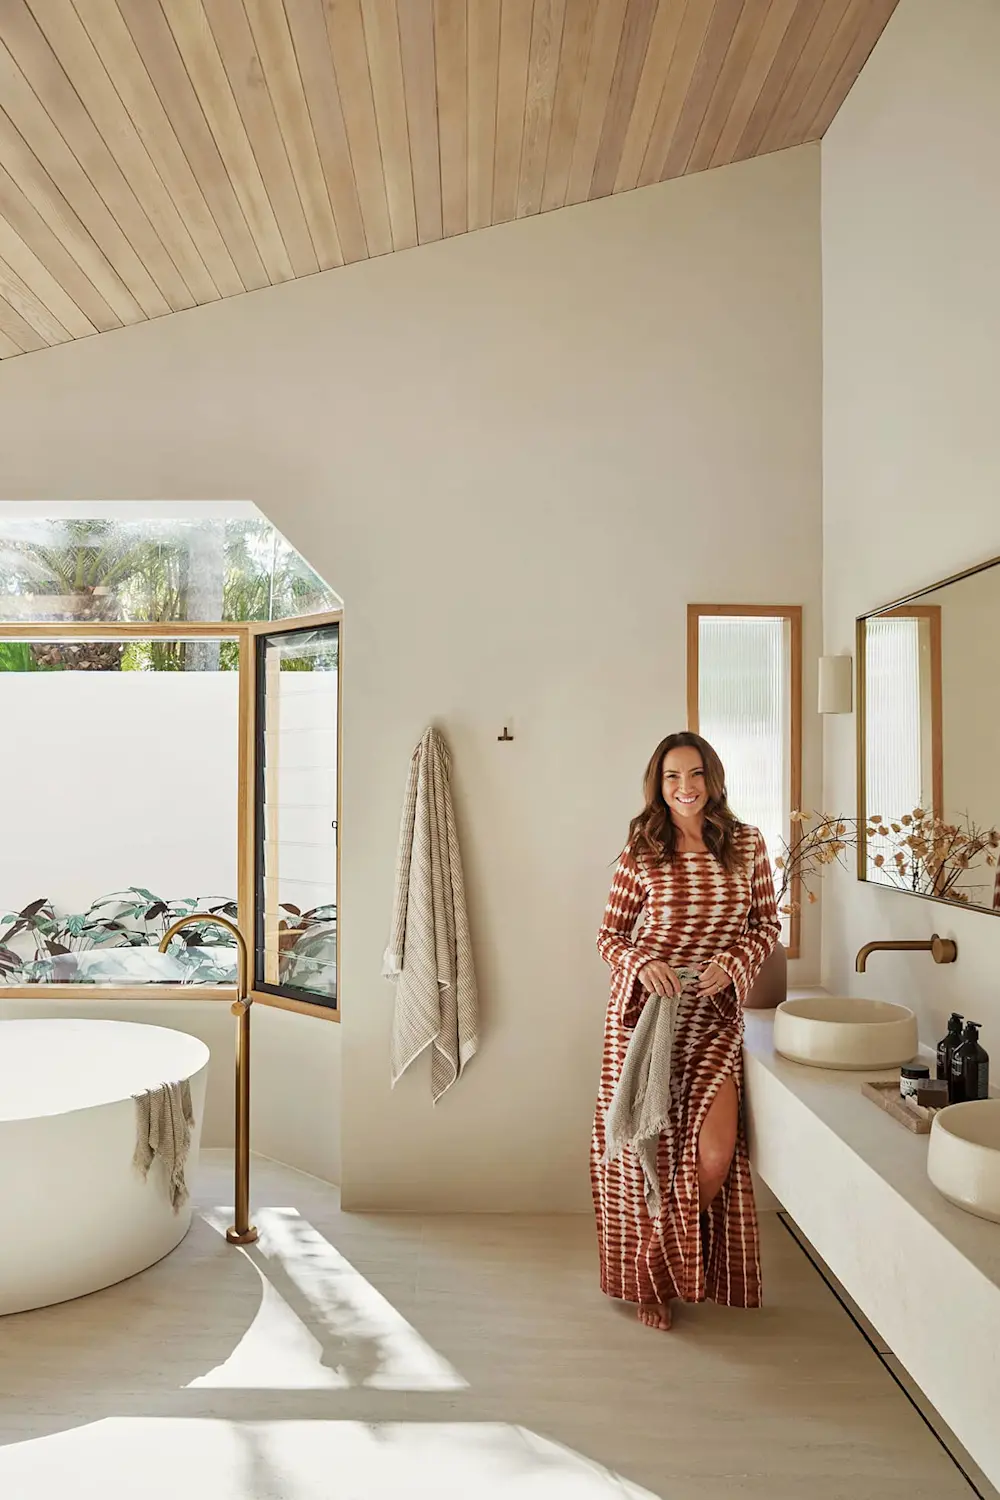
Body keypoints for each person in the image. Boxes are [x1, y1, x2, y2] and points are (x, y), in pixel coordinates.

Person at [591, 731, 780, 1330]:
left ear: (713, 778)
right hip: (647, 1017)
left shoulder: (747, 844)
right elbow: (608, 937)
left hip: (714, 1016)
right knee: (647, 1153)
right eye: (672, 777)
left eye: (695, 774)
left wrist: (734, 963)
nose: (685, 787)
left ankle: (663, 1261)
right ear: (658, 785)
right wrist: (643, 963)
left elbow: (767, 923)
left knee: (715, 1153)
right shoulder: (642, 851)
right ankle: (654, 1283)